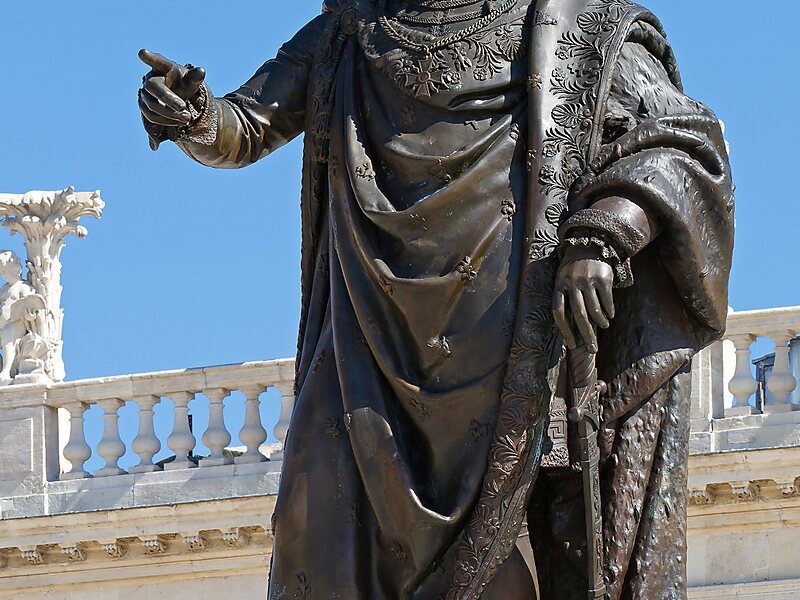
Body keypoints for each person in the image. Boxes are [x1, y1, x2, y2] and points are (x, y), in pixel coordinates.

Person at [137, 0, 734, 597]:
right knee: (313, 524)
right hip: (362, 345)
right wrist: (192, 115)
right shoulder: (352, 32)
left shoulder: (576, 24)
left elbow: (683, 144)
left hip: (511, 353)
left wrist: (604, 232)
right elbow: (245, 127)